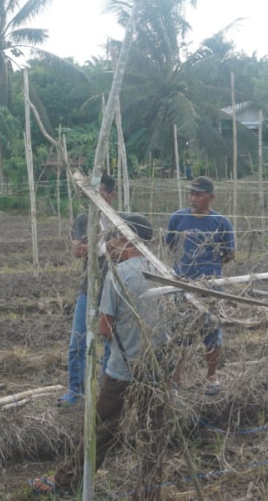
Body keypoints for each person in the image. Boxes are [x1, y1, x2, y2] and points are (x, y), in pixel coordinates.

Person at [31, 214, 175, 499]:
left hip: (122, 368)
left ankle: (67, 480)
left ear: (129, 241)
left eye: (115, 238)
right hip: (158, 367)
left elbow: (105, 327)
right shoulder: (163, 270)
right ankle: (148, 493)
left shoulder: (118, 274)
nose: (109, 244)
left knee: (101, 428)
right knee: (153, 432)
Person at [164, 176, 235, 395]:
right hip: (182, 285)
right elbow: (171, 246)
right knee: (180, 333)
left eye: (199, 195)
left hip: (210, 288)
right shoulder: (177, 219)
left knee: (212, 333)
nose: (193, 198)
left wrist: (210, 270)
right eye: (191, 194)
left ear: (211, 197)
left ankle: (211, 377)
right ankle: (176, 377)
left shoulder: (221, 222)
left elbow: (229, 253)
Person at [59, 173, 117, 407]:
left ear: (112, 195)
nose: (97, 199)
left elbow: (122, 251)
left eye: (101, 193)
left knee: (109, 341)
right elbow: (78, 251)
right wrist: (105, 245)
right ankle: (76, 390)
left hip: (112, 290)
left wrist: (101, 247)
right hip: (88, 288)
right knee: (78, 341)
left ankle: (105, 386)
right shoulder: (84, 220)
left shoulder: (118, 222)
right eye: (93, 194)